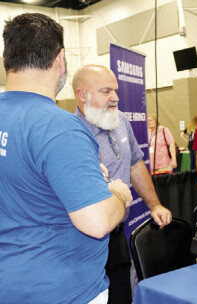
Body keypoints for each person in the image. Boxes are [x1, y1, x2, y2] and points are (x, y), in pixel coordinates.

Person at [0, 13, 133, 304]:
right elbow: (96, 222)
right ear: (60, 60)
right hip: (62, 289)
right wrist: (118, 194)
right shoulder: (59, 127)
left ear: (6, 59)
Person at [73, 64, 172, 304]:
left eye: (115, 90)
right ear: (82, 95)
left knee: (121, 296)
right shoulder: (72, 132)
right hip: (83, 241)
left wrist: (154, 205)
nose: (115, 97)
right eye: (106, 91)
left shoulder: (120, 121)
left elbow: (135, 164)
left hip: (117, 235)